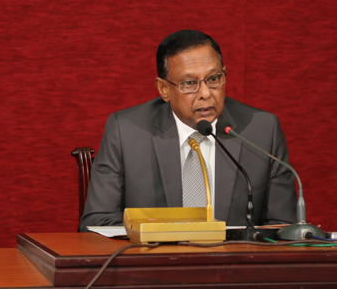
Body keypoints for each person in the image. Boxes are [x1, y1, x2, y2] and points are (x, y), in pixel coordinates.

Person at [79, 30, 296, 231]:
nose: (205, 93)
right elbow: (98, 222)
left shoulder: (261, 131)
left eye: (213, 79)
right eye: (190, 83)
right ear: (163, 89)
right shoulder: (127, 132)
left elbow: (283, 225)